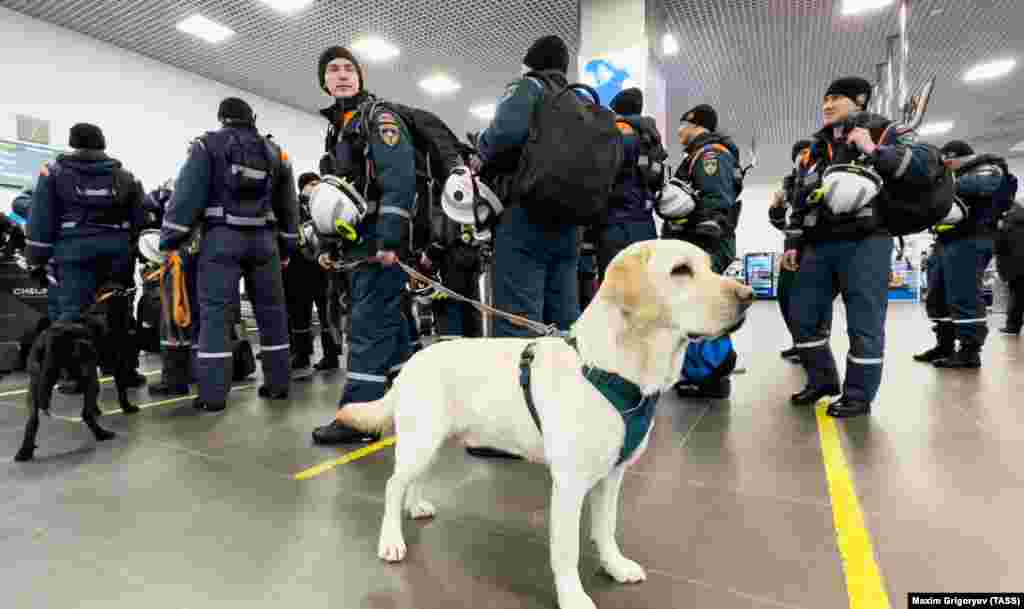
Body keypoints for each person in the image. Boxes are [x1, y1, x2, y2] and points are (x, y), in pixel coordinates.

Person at [784, 76, 942, 418]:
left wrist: (874, 149)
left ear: (860, 101)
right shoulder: (814, 149)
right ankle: (822, 379)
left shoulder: (886, 131)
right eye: (825, 99)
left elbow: (924, 168)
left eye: (836, 99)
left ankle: (858, 394)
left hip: (866, 242)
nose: (827, 105)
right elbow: (800, 198)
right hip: (819, 245)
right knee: (802, 314)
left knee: (864, 323)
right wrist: (793, 241)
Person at [160, 97, 299, 412]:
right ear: (252, 118)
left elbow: (186, 196)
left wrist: (170, 239)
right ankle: (278, 385)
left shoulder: (206, 146)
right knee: (273, 314)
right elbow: (288, 204)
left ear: (222, 118)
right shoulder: (277, 152)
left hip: (221, 238)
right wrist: (288, 246)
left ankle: (212, 396)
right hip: (265, 241)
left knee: (215, 317)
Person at [310, 47, 417, 444]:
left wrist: (391, 238)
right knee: (391, 325)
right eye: (333, 70)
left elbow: (399, 177)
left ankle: (358, 419)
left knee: (369, 327)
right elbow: (338, 196)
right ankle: (410, 402)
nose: (341, 75)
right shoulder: (340, 126)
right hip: (358, 243)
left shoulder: (378, 117)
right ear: (324, 81)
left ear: (360, 76)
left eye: (348, 69)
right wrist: (330, 244)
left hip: (378, 243)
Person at [477, 34, 580, 340]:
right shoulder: (579, 101)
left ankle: (518, 387)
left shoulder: (529, 86)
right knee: (563, 322)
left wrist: (482, 144)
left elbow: (503, 135)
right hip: (570, 224)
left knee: (517, 322)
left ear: (529, 64)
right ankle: (563, 385)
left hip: (526, 216)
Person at [25, 123, 144, 322]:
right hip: (117, 259)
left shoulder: (53, 173)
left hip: (72, 258)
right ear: (102, 143)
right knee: (115, 316)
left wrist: (35, 261)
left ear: (73, 142)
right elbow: (139, 222)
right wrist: (130, 252)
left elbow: (41, 221)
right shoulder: (125, 177)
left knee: (71, 320)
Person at [663, 104, 743, 399]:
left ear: (695, 125)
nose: (679, 132)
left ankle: (712, 374)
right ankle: (702, 372)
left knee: (703, 309)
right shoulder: (698, 155)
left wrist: (704, 240)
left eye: (682, 125)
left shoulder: (711, 154)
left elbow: (716, 199)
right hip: (698, 244)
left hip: (705, 245)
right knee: (695, 309)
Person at [914, 141, 1007, 368]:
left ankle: (969, 351)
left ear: (959, 158)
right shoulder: (951, 177)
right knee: (937, 295)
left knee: (963, 293)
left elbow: (985, 184)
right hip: (945, 241)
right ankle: (944, 345)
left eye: (948, 161)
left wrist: (941, 183)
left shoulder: (988, 167)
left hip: (972, 238)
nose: (945, 166)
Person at [594, 87, 659, 281]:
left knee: (616, 292)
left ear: (616, 110)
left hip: (616, 225)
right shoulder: (651, 138)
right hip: (646, 225)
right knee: (645, 289)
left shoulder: (617, 132)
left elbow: (601, 174)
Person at [285, 171, 342, 371]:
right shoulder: (293, 206)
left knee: (327, 314)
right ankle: (301, 354)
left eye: (317, 183)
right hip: (299, 269)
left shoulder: (324, 204)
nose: (315, 187)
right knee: (300, 315)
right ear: (303, 187)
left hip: (322, 268)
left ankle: (331, 354)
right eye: (311, 184)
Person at [995, 200, 1023, 335]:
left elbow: (999, 246)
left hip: (1015, 267)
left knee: (1016, 297)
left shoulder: (1006, 223)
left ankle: (1013, 326)